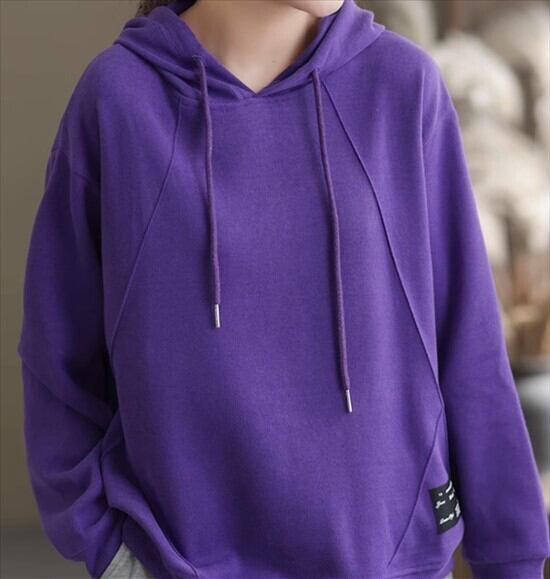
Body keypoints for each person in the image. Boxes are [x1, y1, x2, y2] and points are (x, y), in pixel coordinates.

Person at [17, 0, 550, 578]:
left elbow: (470, 349)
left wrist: (513, 558)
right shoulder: (119, 101)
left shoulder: (402, 88)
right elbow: (58, 360)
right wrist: (111, 552)